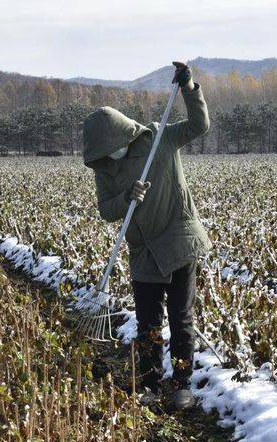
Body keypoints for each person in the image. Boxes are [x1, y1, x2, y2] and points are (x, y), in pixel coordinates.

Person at [81, 62, 211, 411]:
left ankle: (182, 382)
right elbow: (106, 209)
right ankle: (151, 381)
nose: (109, 157)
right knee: (148, 321)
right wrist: (126, 198)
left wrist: (189, 88)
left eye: (110, 148)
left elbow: (200, 125)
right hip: (142, 251)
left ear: (121, 135)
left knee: (181, 318)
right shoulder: (105, 169)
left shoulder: (159, 138)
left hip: (179, 240)